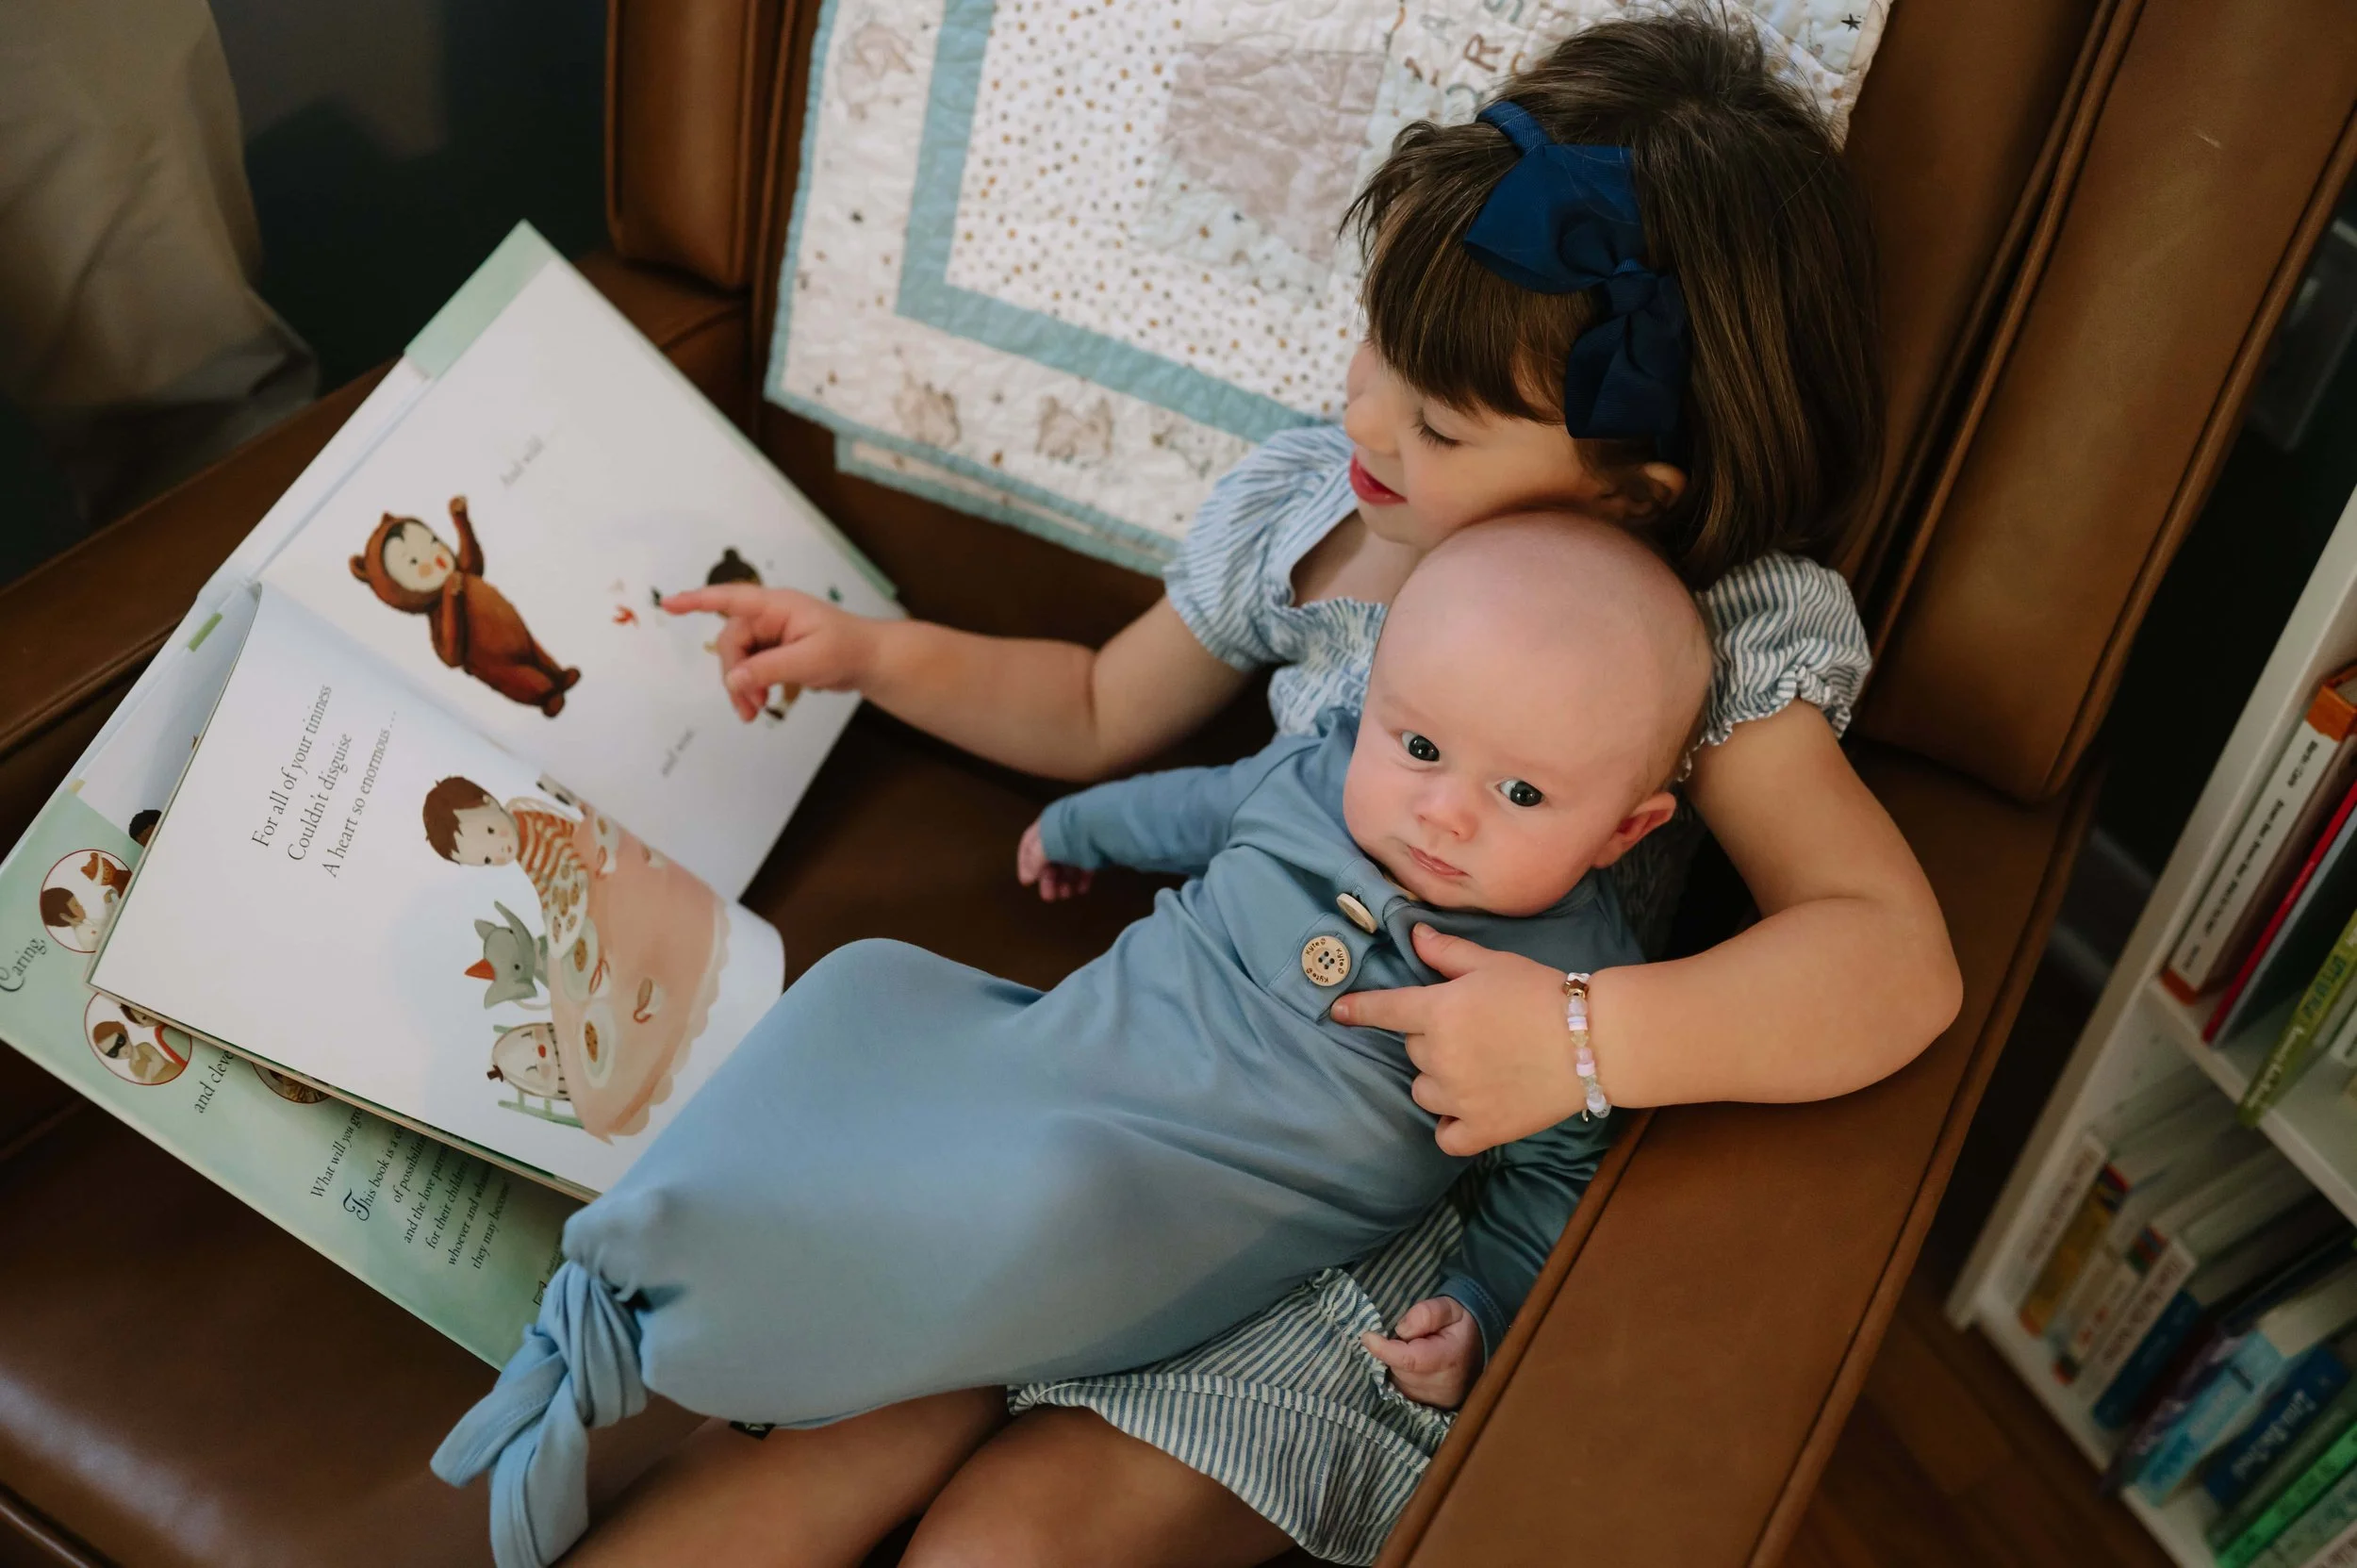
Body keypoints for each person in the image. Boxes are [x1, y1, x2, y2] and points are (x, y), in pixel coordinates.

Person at [580, 14, 1961, 1567]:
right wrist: (878, 654)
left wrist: (1575, 1040)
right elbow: (1102, 706)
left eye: (1440, 422)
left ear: (1634, 488)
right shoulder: (1321, 514)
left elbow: (1891, 958)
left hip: (1371, 1241)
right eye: (1375, 343)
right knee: (809, 1437)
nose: (1367, 420)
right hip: (1130, 1101)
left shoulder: (1712, 642)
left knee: (1012, 1543)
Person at [435, 518, 1710, 1568]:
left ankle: (720, 1285)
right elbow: (1200, 805)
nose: (1445, 811)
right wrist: (1086, 826)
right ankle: (661, 1273)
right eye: (1421, 745)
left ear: (1623, 830)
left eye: (1523, 795)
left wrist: (1480, 1310)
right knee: (863, 1006)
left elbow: (1544, 1182)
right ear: (1374, 702)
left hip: (1185, 1205)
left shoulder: (1572, 987)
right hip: (1063, 1061)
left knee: (1056, 1198)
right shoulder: (1316, 774)